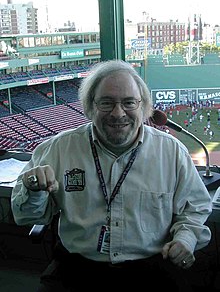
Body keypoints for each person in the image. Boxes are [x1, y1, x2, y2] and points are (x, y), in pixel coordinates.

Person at [11, 60, 212, 292]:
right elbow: (26, 217)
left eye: (129, 102)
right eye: (106, 103)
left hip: (151, 270)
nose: (118, 113)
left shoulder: (171, 151)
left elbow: (195, 208)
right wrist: (34, 190)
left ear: (144, 107)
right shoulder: (56, 150)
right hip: (77, 270)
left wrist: (185, 239)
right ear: (89, 107)